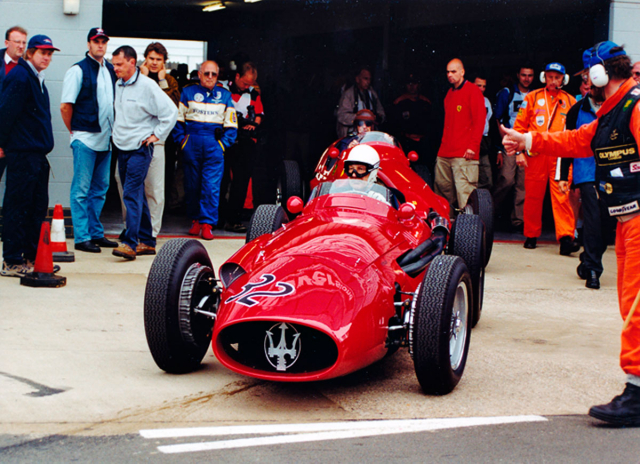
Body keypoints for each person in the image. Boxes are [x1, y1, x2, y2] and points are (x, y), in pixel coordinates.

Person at [502, 41, 640, 427]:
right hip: (628, 222)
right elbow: (574, 141)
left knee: (637, 308)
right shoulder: (612, 113)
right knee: (630, 303)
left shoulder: (635, 107)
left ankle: (637, 393)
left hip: (639, 222)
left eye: (586, 77)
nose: (584, 84)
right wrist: (527, 139)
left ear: (600, 74)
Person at [110, 46, 177, 260]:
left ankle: (130, 243)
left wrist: (157, 135)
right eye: (114, 64)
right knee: (135, 192)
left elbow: (171, 112)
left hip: (140, 148)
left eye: (119, 64)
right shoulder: (119, 84)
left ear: (132, 62)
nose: (115, 68)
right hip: (122, 147)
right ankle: (147, 241)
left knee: (131, 192)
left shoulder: (148, 86)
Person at [0, 35, 59, 277]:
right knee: (18, 207)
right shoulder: (22, 77)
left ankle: (31, 257)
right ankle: (12, 261)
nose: (46, 57)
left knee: (34, 208)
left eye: (50, 53)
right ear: (30, 54)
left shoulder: (36, 77)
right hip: (23, 155)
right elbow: (5, 112)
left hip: (35, 155)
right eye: (42, 52)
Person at [60, 27, 118, 254]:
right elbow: (66, 106)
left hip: (106, 139)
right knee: (81, 189)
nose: (100, 45)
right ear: (88, 44)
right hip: (85, 138)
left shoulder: (110, 69)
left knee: (101, 188)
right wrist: (74, 131)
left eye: (103, 41)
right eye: (96, 41)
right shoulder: (77, 70)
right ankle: (82, 237)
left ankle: (95, 233)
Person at [513, 62, 578, 254]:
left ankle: (566, 237)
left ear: (564, 80)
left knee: (562, 196)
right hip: (536, 154)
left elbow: (576, 132)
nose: (553, 81)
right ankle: (531, 234)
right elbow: (519, 128)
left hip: (559, 156)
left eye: (557, 77)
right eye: (550, 77)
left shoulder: (570, 101)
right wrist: (519, 153)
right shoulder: (532, 98)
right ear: (544, 78)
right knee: (533, 196)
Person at [557, 74, 612, 289]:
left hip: (609, 172)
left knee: (607, 225)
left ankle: (587, 261)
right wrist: (562, 176)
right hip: (585, 172)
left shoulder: (614, 108)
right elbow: (565, 143)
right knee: (592, 220)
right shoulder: (576, 110)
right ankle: (593, 271)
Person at [173, 60, 237, 240]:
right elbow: (178, 122)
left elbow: (231, 126)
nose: (209, 77)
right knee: (192, 185)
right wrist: (183, 143)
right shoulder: (187, 92)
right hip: (191, 143)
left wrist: (222, 145)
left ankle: (207, 224)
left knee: (211, 187)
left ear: (218, 77)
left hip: (213, 144)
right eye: (206, 73)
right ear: (199, 74)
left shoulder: (225, 96)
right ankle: (195, 220)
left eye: (213, 74)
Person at [434, 58, 486, 217]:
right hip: (445, 153)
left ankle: (469, 233)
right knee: (442, 194)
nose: (450, 75)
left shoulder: (473, 91)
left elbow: (479, 121)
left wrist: (473, 146)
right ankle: (445, 228)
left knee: (466, 196)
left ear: (462, 72)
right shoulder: (449, 94)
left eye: (453, 71)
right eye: (448, 72)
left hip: (464, 154)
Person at [222, 61, 264, 233]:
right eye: (245, 83)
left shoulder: (254, 93)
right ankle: (217, 218)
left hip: (245, 140)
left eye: (250, 83)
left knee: (241, 182)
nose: (247, 86)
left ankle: (234, 220)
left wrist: (254, 124)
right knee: (222, 180)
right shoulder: (222, 89)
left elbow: (259, 114)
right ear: (237, 76)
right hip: (225, 138)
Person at [492, 65, 534, 232]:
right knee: (506, 180)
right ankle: (491, 213)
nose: (526, 78)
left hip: (527, 143)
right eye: (523, 75)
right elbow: (498, 119)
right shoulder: (507, 93)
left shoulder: (535, 94)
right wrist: (503, 142)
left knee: (523, 184)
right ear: (518, 75)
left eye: (530, 75)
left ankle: (518, 220)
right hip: (510, 142)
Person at [0, 26, 27, 183]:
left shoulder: (26, 66)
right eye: (17, 42)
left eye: (24, 42)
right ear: (7, 42)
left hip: (17, 138)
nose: (21, 46)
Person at [389, 73, 433, 169]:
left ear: (419, 85)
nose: (412, 86)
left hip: (422, 143)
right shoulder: (399, 103)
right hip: (406, 143)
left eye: (415, 83)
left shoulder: (425, 102)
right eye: (409, 83)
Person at [336, 66, 385, 138]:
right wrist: (359, 118)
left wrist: (377, 117)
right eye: (365, 79)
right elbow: (341, 115)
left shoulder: (372, 94)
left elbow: (382, 113)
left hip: (370, 135)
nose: (368, 82)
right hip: (352, 135)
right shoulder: (348, 94)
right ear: (357, 79)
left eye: (369, 79)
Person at [474, 75, 493, 189]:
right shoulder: (466, 99)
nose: (481, 89)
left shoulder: (486, 101)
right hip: (469, 143)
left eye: (484, 86)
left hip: (483, 142)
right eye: (478, 85)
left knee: (487, 178)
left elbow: (488, 119)